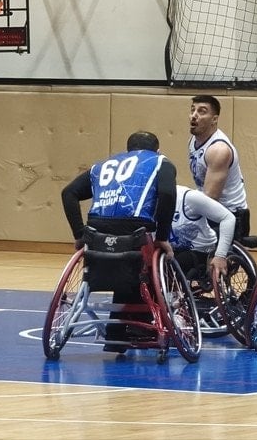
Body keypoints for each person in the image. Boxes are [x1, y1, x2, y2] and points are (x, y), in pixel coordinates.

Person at [61, 130, 177, 353]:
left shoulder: (102, 165)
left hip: (97, 230)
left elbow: (68, 193)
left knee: (119, 266)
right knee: (143, 266)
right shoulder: (160, 162)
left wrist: (79, 233)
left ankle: (116, 331)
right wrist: (162, 237)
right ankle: (141, 325)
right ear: (157, 150)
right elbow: (168, 195)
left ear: (128, 150)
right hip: (134, 227)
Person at [187, 95, 252, 242]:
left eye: (202, 111)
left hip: (229, 216)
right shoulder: (193, 140)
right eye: (192, 110)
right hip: (209, 211)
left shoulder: (218, 150)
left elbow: (210, 198)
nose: (194, 115)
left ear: (214, 119)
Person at [169, 185, 236, 287]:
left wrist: (220, 255)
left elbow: (228, 218)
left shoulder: (189, 198)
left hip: (202, 250)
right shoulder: (148, 203)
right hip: (173, 250)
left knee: (176, 263)